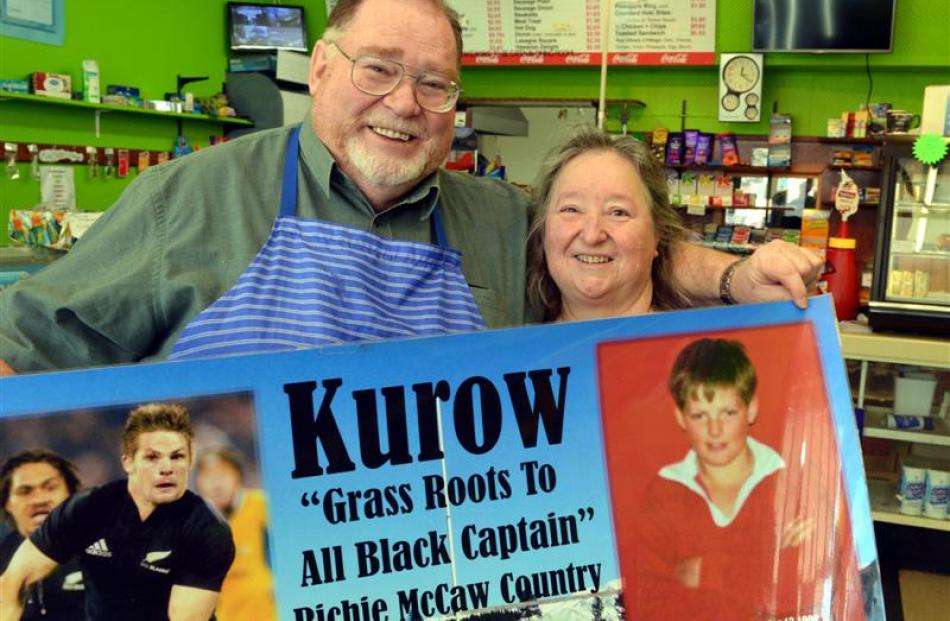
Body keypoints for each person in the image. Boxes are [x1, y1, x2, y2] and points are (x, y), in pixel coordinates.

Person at [0, 0, 821, 374]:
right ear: (320, 68)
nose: (404, 103)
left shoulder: (497, 217)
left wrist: (731, 276)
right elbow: (30, 346)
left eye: (434, 83)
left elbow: (606, 242)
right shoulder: (194, 197)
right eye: (379, 69)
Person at [632, 338, 862, 620]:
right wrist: (768, 559)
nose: (715, 430)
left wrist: (704, 570)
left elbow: (810, 585)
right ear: (681, 417)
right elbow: (649, 601)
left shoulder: (796, 485)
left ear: (751, 409)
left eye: (728, 413)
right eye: (699, 415)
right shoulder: (662, 494)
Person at [0, 404, 235, 621]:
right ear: (128, 462)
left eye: (177, 456)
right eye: (152, 457)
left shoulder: (208, 531)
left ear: (190, 461)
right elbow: (13, 581)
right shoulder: (87, 509)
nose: (167, 468)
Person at [525, 126, 691, 321]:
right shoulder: (515, 343)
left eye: (618, 212)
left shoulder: (691, 347)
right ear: (544, 230)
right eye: (571, 209)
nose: (592, 235)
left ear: (658, 232)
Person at [0, 450, 85, 620]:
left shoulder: (105, 549)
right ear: (7, 503)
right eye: (25, 491)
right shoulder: (2, 557)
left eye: (50, 487)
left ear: (71, 495)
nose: (39, 499)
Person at [195, 448, 275, 621]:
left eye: (223, 475)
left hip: (269, 610)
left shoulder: (262, 506)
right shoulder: (197, 524)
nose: (216, 484)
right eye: (208, 477)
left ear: (238, 477)